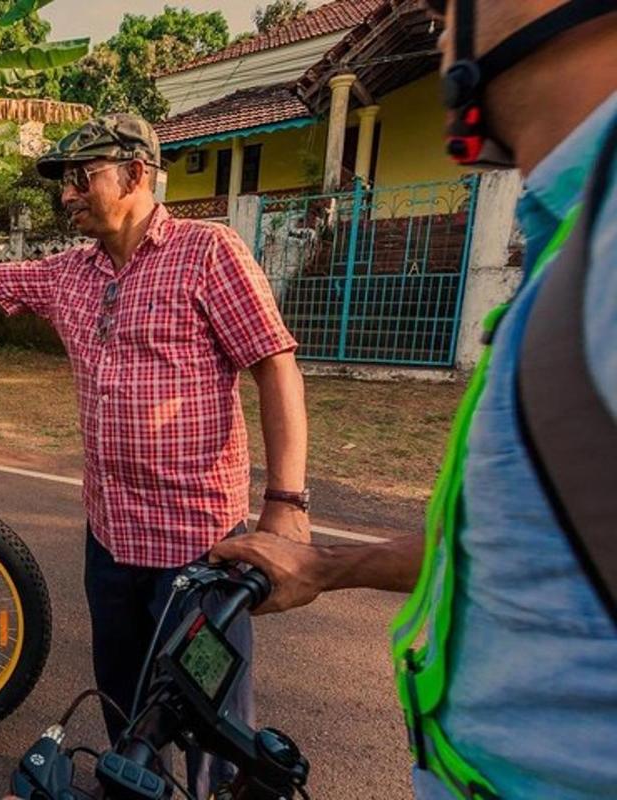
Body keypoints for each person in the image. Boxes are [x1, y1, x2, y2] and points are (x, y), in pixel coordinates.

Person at [209, 2, 617, 798]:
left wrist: (289, 502)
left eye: (452, 7)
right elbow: (503, 542)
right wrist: (328, 565)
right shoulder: (571, 236)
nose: (439, 30)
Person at [0, 114, 310, 797]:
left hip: (201, 551)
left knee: (210, 716)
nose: (67, 194)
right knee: (124, 702)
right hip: (111, 540)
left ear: (136, 173)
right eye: (63, 182)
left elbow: (275, 366)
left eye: (81, 177)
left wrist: (285, 504)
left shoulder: (209, 252)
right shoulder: (67, 273)